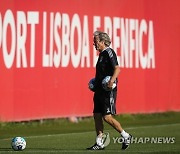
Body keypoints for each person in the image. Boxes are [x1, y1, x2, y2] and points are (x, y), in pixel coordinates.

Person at [87, 31, 132, 150]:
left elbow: (117, 69)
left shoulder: (109, 52)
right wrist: (95, 84)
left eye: (95, 41)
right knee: (97, 115)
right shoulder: (101, 54)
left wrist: (112, 81)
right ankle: (99, 142)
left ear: (102, 42)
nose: (94, 44)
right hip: (99, 90)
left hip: (108, 90)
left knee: (107, 117)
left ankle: (125, 135)